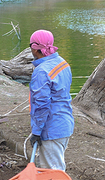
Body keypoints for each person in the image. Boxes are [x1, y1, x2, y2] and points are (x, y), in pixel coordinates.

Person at [28, 30, 74, 171]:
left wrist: (36, 131)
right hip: (65, 123)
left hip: (51, 127)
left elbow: (42, 105)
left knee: (53, 172)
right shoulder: (62, 63)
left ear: (35, 48)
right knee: (55, 166)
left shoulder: (41, 71)